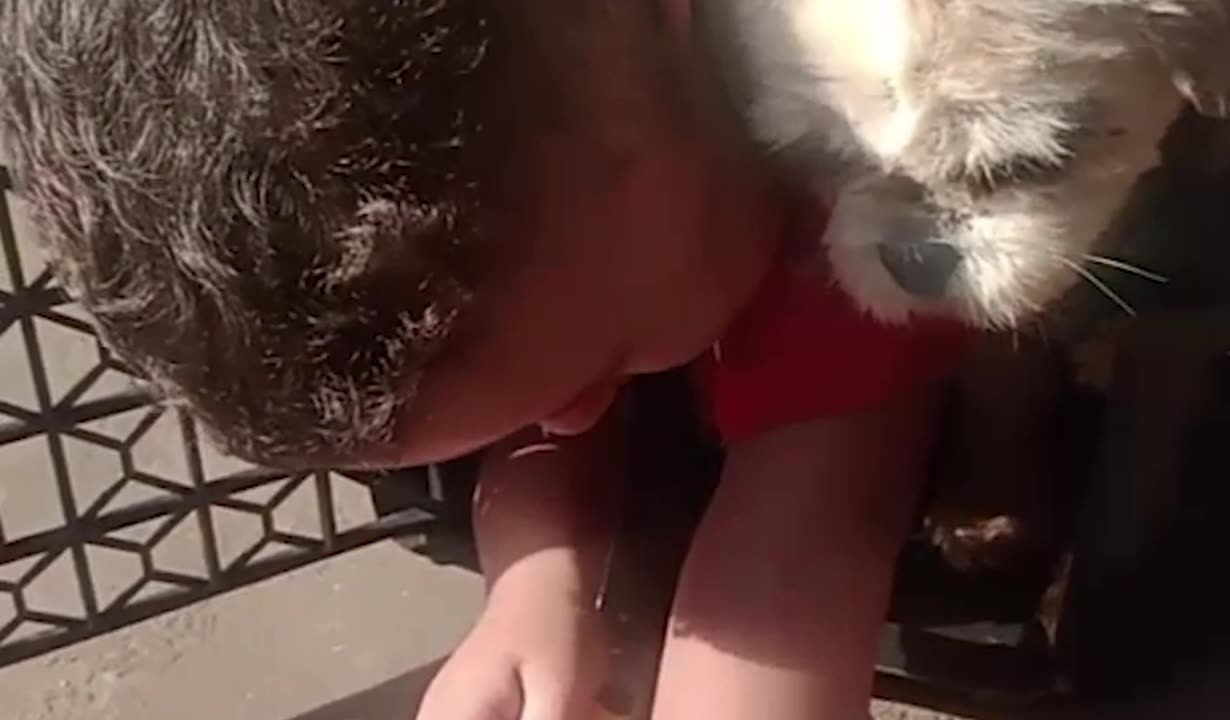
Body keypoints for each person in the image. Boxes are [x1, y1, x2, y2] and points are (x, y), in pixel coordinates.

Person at [0, 1, 966, 718]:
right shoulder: (629, 169)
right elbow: (549, 405)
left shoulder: (851, 163)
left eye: (609, 359)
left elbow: (807, 536)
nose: (579, 420)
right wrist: (533, 587)